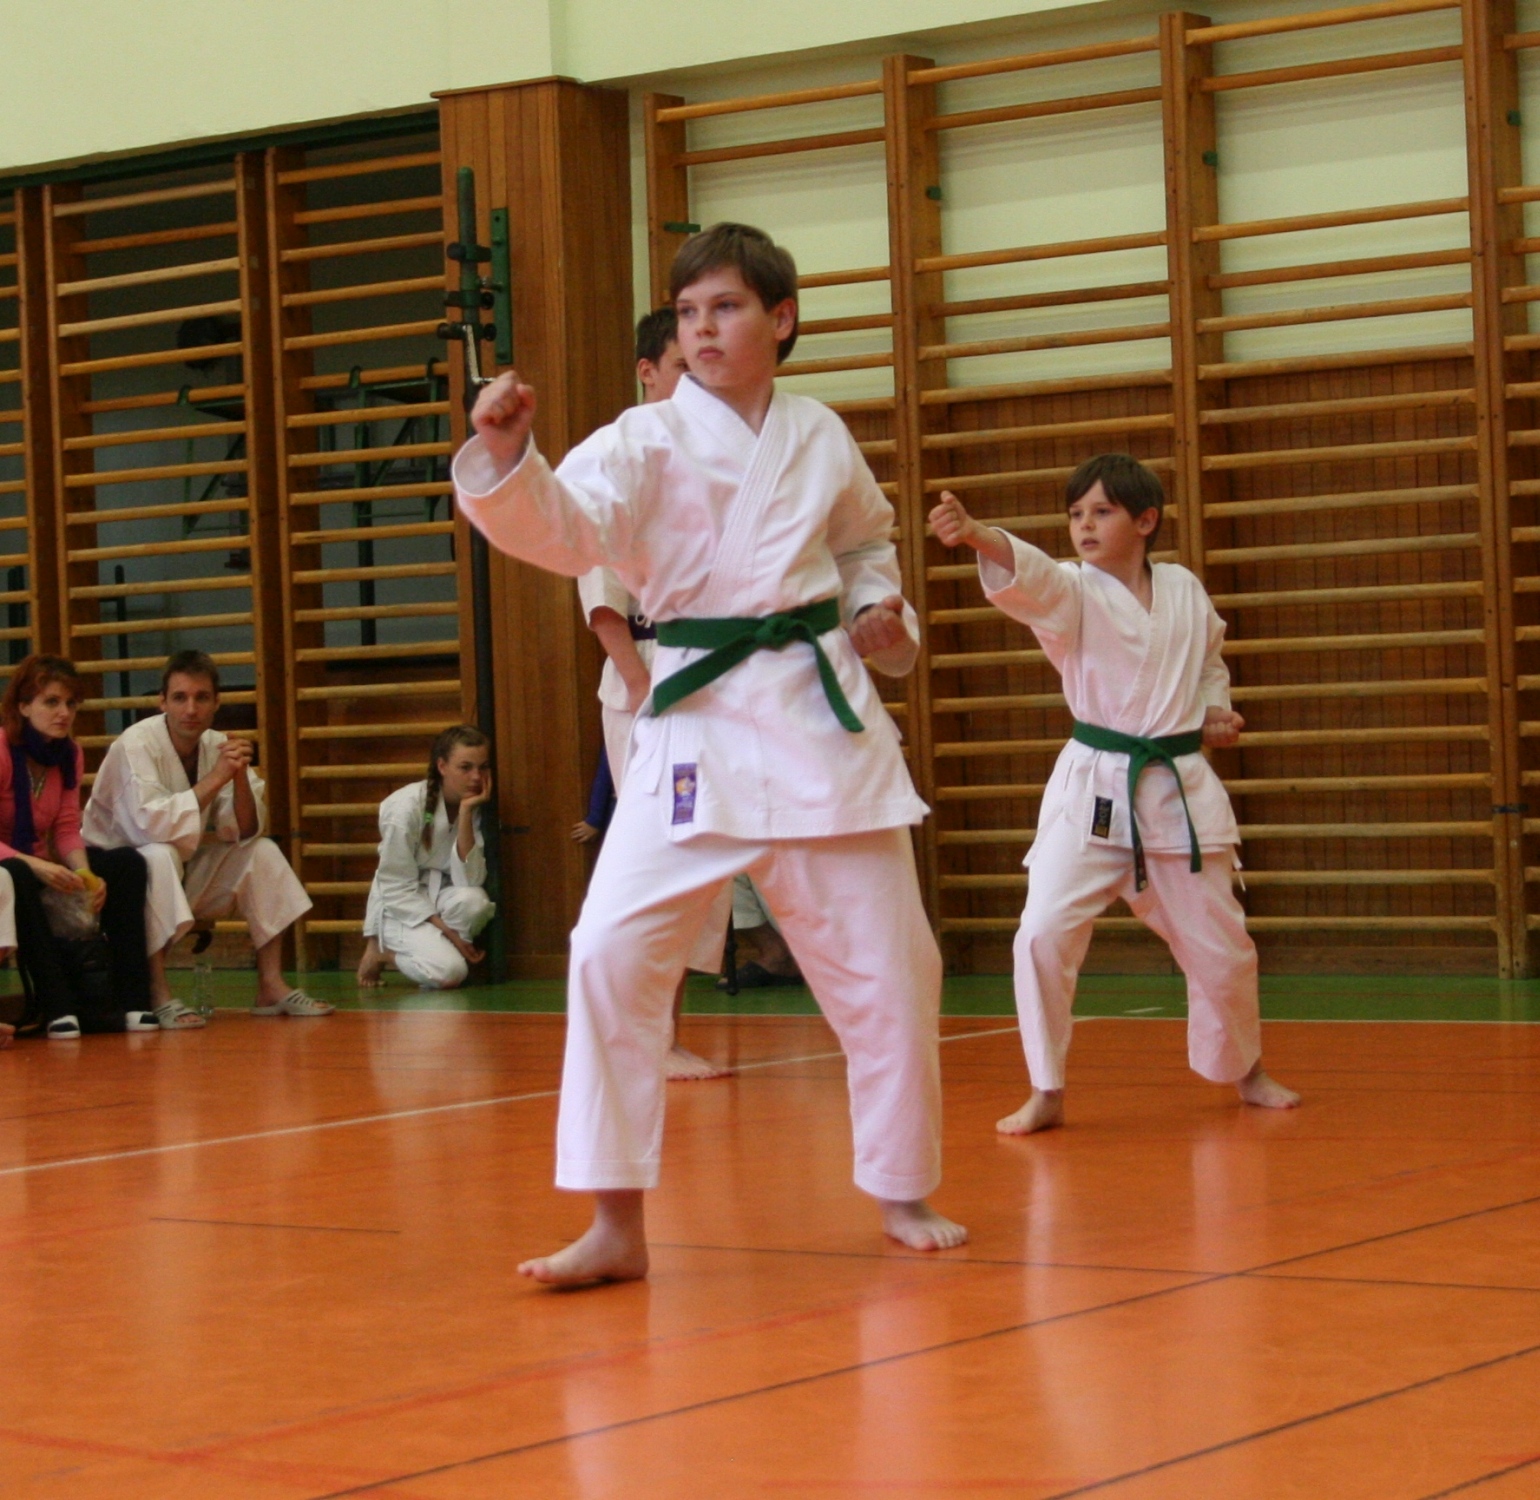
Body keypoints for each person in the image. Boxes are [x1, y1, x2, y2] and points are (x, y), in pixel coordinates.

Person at [455, 221, 966, 1286]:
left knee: (892, 967)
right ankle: (615, 1222)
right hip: (696, 724)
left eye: (725, 307)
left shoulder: (819, 434)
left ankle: (901, 1184)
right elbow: (570, 529)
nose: (702, 329)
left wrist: (875, 613)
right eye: (688, 313)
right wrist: (508, 461)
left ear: (781, 319)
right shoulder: (644, 438)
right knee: (607, 953)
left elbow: (865, 546)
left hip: (819, 723)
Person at [929, 455, 1299, 1135]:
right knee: (1041, 933)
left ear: (1146, 520)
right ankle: (1046, 1088)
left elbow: (1208, 661)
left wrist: (1213, 711)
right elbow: (1033, 574)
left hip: (1177, 791)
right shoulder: (1073, 591)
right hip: (1094, 789)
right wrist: (979, 535)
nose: (1085, 525)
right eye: (1076, 514)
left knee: (1223, 949)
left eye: (1101, 512)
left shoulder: (1184, 589)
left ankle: (1245, 1069)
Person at [576, 305, 733, 1082]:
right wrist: (643, 690)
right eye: (681, 366)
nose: (697, 381)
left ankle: (661, 1031)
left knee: (706, 854)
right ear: (648, 371)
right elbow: (603, 600)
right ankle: (643, 1035)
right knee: (663, 849)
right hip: (646, 677)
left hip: (709, 673)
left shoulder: (712, 456)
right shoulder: (621, 455)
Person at [81, 650, 330, 1022]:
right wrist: (216, 777)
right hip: (113, 882)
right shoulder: (135, 745)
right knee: (159, 854)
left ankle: (270, 984)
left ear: (216, 703)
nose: (191, 709)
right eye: (180, 697)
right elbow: (150, 827)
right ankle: (156, 991)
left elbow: (245, 830)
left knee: (260, 851)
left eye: (201, 698)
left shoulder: (217, 745)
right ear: (162, 702)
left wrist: (239, 775)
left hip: (176, 872)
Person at [0, 654, 158, 1037]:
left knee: (126, 864)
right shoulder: (2, 750)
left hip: (39, 862)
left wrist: (85, 874)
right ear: (23, 706)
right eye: (51, 702)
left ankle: (133, 1001)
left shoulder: (69, 753)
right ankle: (59, 1008)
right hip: (12, 865)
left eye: (71, 704)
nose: (64, 713)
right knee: (18, 873)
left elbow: (67, 826)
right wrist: (36, 865)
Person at [356, 725, 496, 990]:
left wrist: (466, 812)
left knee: (475, 901)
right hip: (401, 905)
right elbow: (395, 885)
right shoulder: (405, 807)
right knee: (450, 973)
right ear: (442, 766)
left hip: (442, 895)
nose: (477, 777)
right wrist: (451, 934)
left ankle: (441, 954)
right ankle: (384, 953)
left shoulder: (477, 806)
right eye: (465, 767)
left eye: (483, 767)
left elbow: (470, 880)